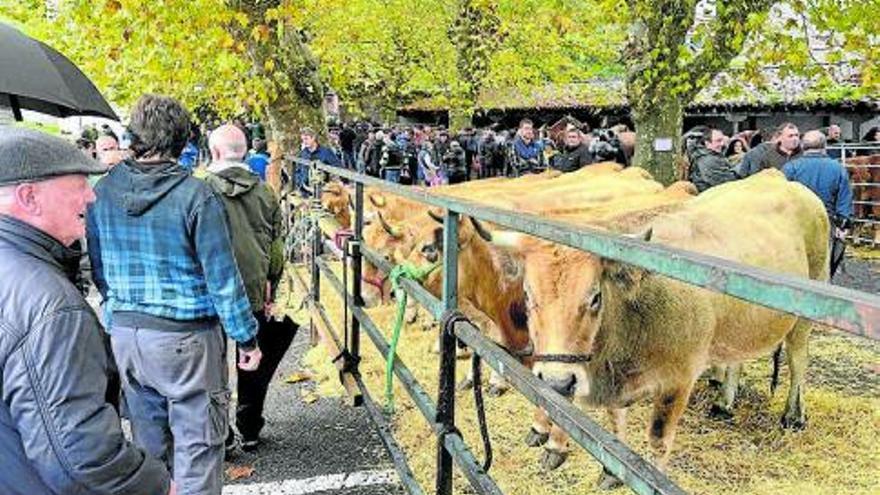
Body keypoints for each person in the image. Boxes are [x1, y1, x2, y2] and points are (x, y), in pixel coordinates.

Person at [86, 94, 261, 494]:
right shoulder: (196, 196)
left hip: (127, 334)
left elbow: (98, 269)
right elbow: (223, 278)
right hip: (187, 340)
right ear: (183, 141)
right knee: (199, 448)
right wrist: (246, 338)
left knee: (149, 451)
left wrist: (116, 312)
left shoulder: (103, 191)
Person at [0, 127, 174, 495]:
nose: (91, 196)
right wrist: (156, 486)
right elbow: (80, 458)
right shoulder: (50, 307)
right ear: (29, 197)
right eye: (78, 184)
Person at [203, 125, 294, 453]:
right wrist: (272, 279)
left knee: (212, 361)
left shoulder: (200, 189)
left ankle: (221, 433)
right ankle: (250, 425)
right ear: (243, 152)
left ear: (214, 152)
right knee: (251, 356)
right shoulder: (265, 192)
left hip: (211, 289)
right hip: (253, 285)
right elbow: (276, 245)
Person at [783, 130, 854, 277]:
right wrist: (843, 224)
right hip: (825, 222)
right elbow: (844, 199)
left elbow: (781, 196)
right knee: (822, 264)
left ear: (803, 146)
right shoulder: (838, 168)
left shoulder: (791, 167)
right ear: (825, 146)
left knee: (796, 260)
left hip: (795, 222)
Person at [690, 127, 740, 193]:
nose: (722, 144)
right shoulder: (707, 160)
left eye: (722, 140)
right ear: (707, 143)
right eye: (718, 141)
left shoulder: (714, 155)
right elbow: (725, 181)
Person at [296, 127, 341, 195]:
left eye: (306, 139)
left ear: (313, 138)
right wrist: (299, 183)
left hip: (321, 192)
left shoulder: (326, 152)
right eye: (303, 140)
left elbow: (338, 166)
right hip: (304, 192)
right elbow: (298, 170)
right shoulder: (302, 153)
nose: (304, 142)